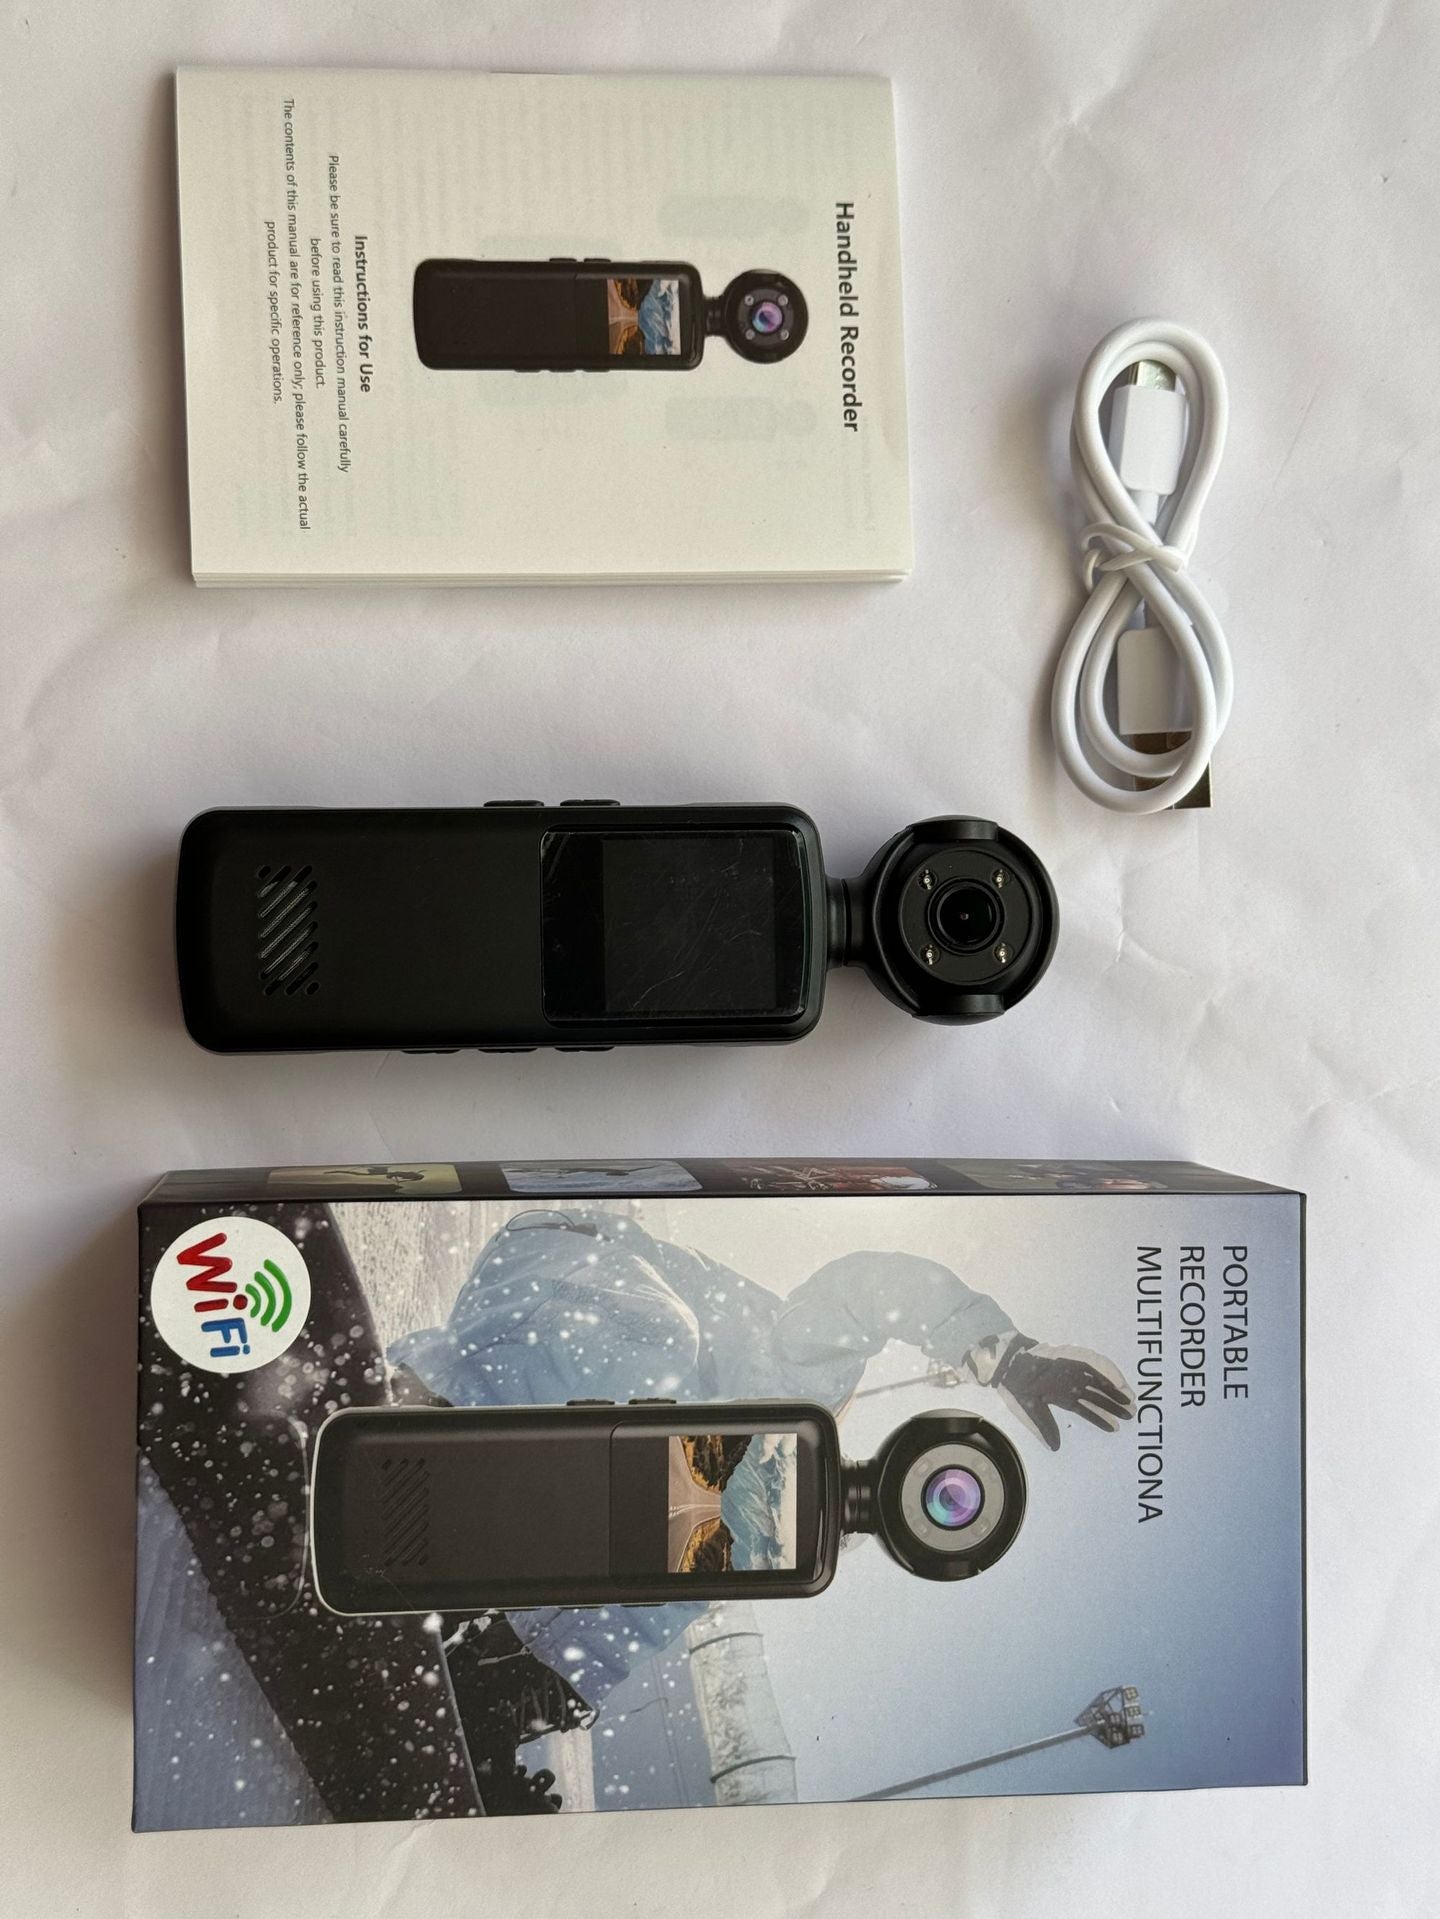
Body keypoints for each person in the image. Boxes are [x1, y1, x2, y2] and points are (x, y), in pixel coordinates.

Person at [392, 1207, 1134, 1735]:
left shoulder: (730, 1512)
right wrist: (1002, 1353)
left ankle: (513, 1648)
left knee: (689, 1543)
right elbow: (865, 1288)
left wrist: (556, 1668)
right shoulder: (804, 1375)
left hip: (544, 1359)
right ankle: (438, 1417)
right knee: (667, 1400)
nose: (775, 1503)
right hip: (567, 1268)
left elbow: (684, 1564)